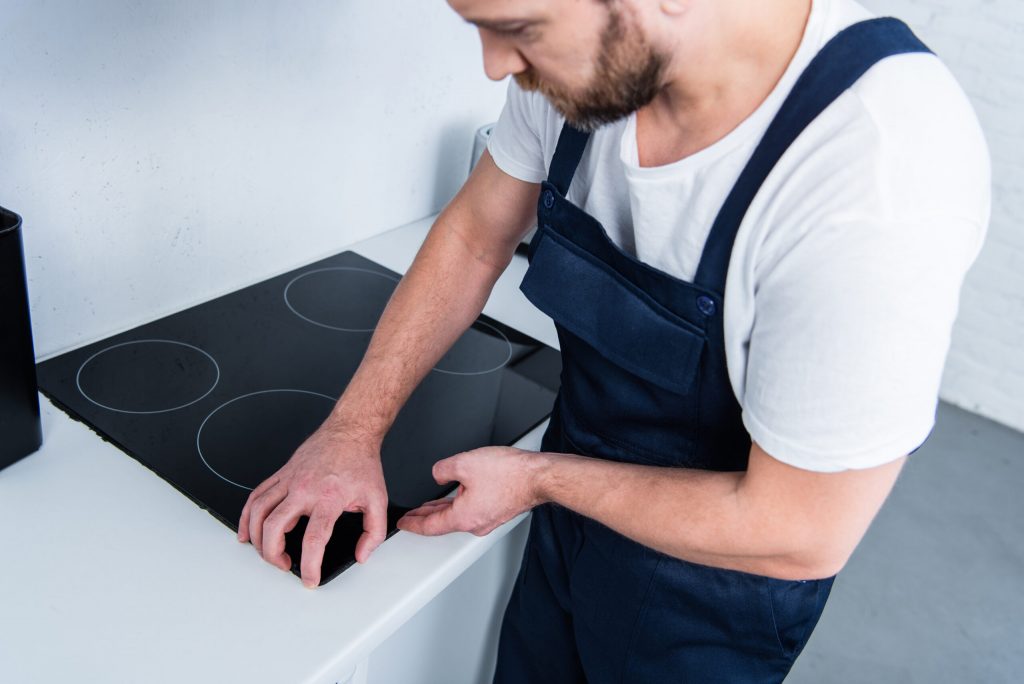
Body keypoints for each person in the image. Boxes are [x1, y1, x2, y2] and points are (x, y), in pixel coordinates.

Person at [237, 0, 990, 680]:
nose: (496, 65)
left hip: (717, 592)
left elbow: (800, 530)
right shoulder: (585, 75)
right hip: (574, 512)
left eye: (519, 30)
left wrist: (540, 479)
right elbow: (474, 235)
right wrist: (353, 428)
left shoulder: (877, 166)